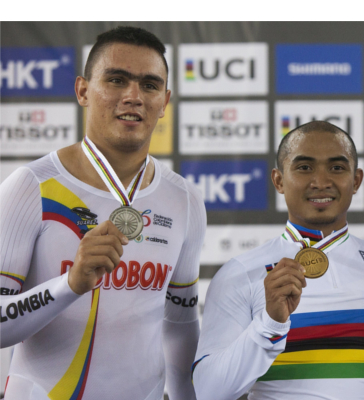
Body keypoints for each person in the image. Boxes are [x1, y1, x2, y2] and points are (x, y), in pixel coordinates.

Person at [0, 26, 206, 400]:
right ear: (83, 91)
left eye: (149, 85)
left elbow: (180, 326)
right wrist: (70, 284)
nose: (133, 97)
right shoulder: (31, 186)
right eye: (116, 80)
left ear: (164, 101)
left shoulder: (185, 199)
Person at [192, 120, 364, 400]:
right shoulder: (240, 273)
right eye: (304, 167)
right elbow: (207, 391)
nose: (321, 182)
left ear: (356, 180)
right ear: (279, 180)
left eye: (337, 168)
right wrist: (269, 324)